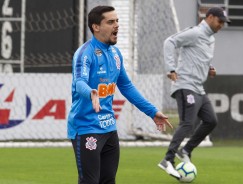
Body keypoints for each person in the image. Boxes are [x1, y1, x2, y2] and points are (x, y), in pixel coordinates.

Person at [67, 5, 173, 184]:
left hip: (109, 129)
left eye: (117, 21)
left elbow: (127, 87)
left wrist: (152, 112)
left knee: (108, 181)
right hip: (86, 128)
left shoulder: (115, 54)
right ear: (96, 27)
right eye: (110, 22)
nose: (116, 25)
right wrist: (91, 92)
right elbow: (79, 82)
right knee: (89, 181)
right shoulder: (84, 54)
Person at [158, 7, 231, 180]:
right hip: (185, 85)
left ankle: (186, 149)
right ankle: (167, 159)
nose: (222, 25)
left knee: (211, 120)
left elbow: (199, 58)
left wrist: (209, 69)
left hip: (198, 87)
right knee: (187, 123)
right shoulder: (196, 32)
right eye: (220, 21)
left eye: (223, 23)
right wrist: (170, 68)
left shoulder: (210, 39)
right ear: (210, 17)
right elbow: (170, 42)